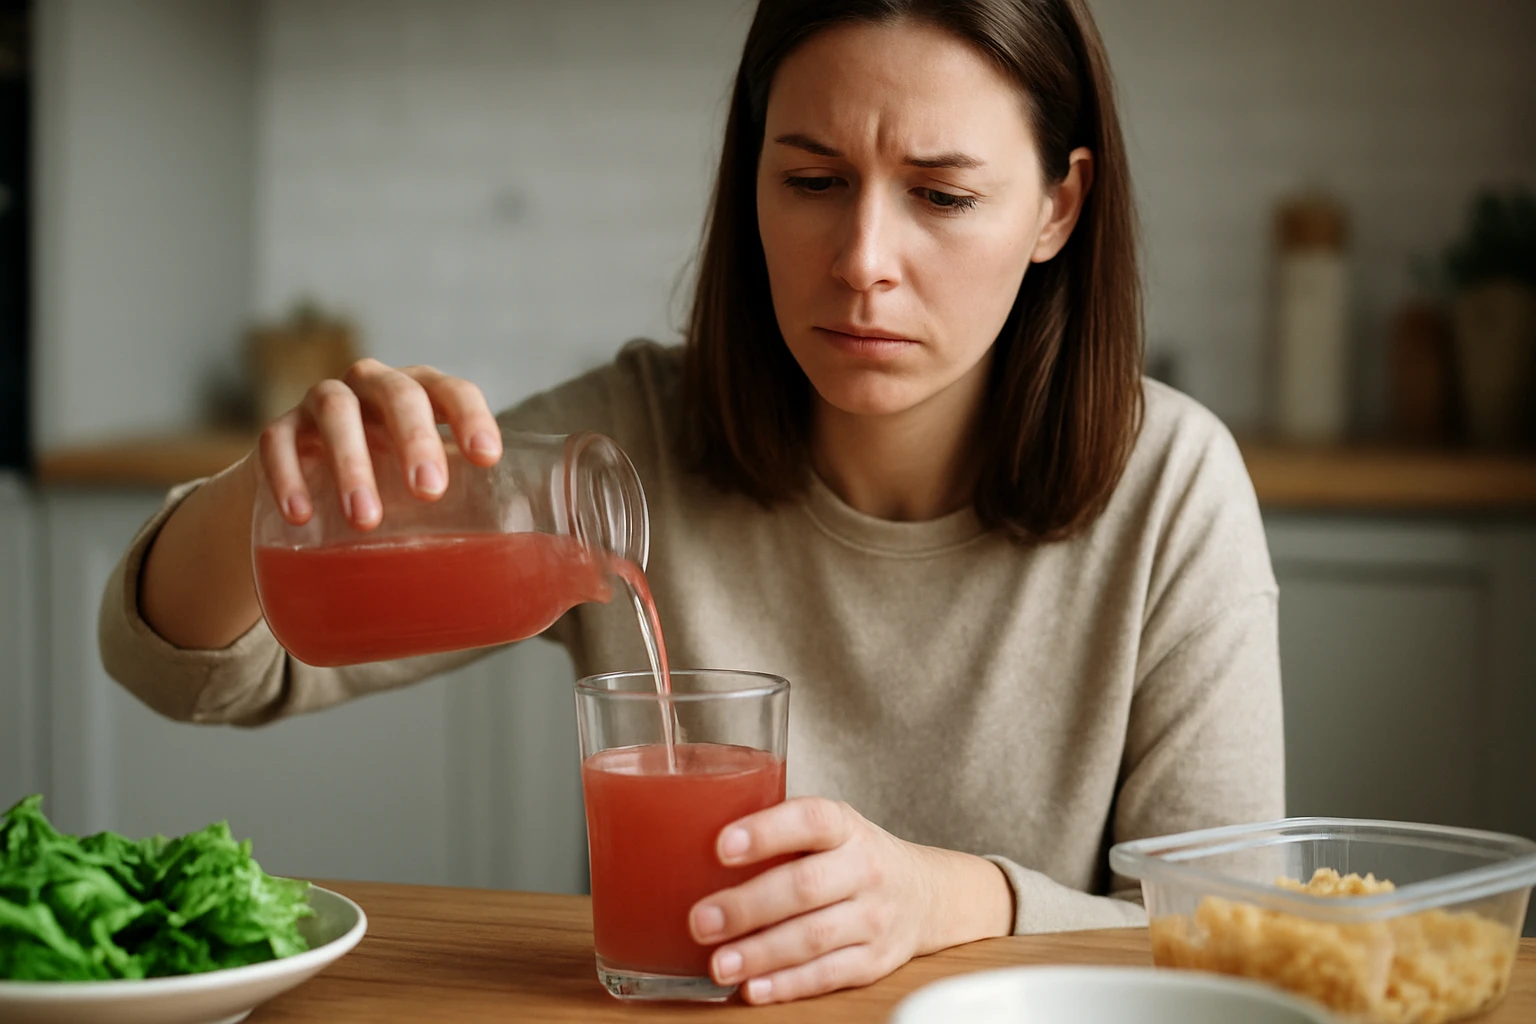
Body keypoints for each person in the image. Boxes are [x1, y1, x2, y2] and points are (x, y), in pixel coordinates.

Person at [100, 0, 1283, 1005]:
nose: (862, 257)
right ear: (751, 176)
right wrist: (280, 486)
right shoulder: (631, 447)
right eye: (812, 180)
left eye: (940, 195)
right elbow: (189, 670)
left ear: (1059, 207)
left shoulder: (1169, 487)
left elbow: (1234, 934)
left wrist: (949, 898)